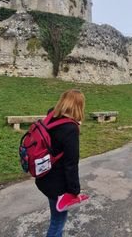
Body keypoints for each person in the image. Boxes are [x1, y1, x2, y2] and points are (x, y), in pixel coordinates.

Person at [35, 89, 85, 237]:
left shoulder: (51, 115)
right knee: (57, 223)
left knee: (56, 219)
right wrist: (74, 191)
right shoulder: (70, 129)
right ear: (79, 106)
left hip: (44, 176)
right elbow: (71, 164)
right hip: (58, 185)